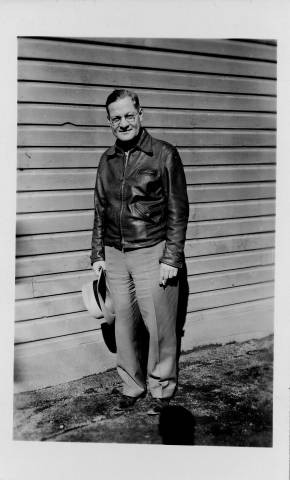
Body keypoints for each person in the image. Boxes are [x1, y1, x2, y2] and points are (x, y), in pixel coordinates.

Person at [91, 89, 189, 414]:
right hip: (115, 253)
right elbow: (100, 210)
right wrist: (97, 255)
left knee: (159, 324)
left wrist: (171, 257)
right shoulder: (106, 161)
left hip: (152, 249)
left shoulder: (164, 154)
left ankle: (161, 387)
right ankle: (131, 384)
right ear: (109, 122)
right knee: (123, 322)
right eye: (116, 118)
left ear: (140, 114)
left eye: (128, 115)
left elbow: (178, 210)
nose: (123, 123)